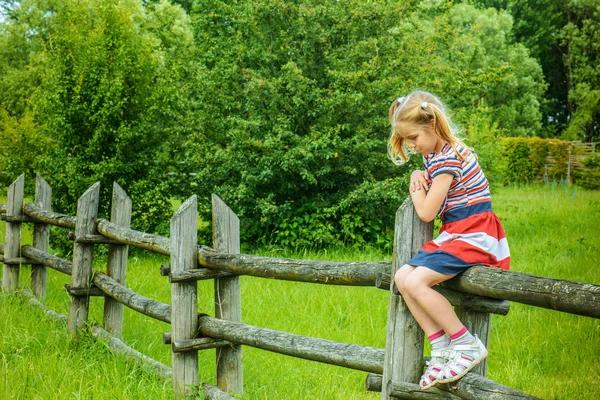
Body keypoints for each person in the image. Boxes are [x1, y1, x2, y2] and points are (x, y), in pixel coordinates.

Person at [387, 90, 510, 389]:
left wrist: (415, 188)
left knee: (416, 282)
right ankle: (441, 347)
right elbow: (433, 174)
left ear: (431, 124)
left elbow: (427, 212)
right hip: (458, 233)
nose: (412, 146)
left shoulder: (449, 159)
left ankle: (465, 343)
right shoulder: (438, 155)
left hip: (475, 234)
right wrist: (419, 170)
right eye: (406, 141)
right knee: (403, 277)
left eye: (413, 138)